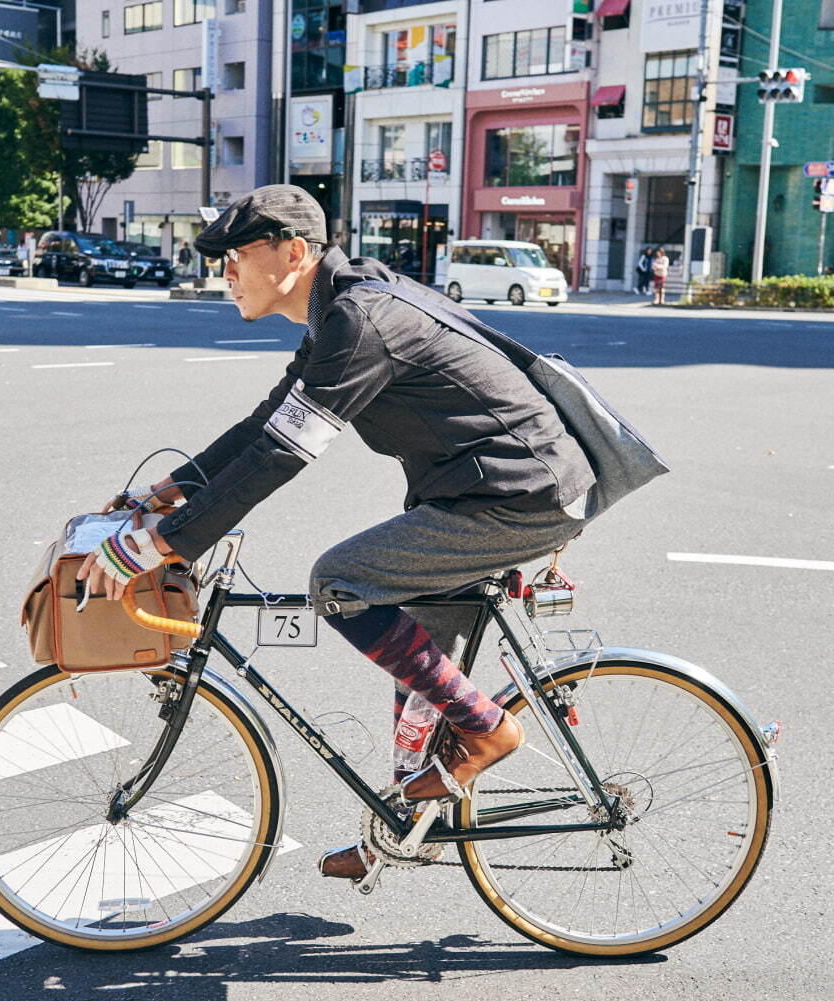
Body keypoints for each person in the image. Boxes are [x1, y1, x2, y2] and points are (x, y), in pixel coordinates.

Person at [75, 185, 597, 881]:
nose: (223, 271)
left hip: (517, 495)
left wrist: (158, 543)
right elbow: (266, 423)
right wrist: (166, 492)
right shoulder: (336, 314)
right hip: (480, 490)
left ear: (292, 253)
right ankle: (407, 828)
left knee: (340, 581)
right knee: (422, 661)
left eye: (235, 255)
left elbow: (284, 453)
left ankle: (489, 730)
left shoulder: (359, 320)